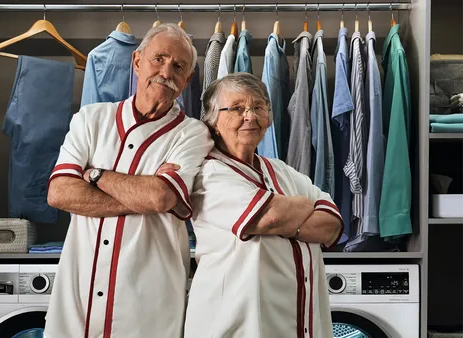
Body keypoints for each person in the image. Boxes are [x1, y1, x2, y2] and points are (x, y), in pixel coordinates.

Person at [44, 23, 214, 338]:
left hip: (147, 308)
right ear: (136, 61)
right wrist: (143, 197)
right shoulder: (91, 119)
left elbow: (160, 198)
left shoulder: (193, 133)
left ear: (187, 79)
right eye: (159, 59)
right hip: (76, 302)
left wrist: (95, 175)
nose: (166, 71)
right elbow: (59, 193)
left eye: (178, 66)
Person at [184, 73, 343, 338]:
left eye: (258, 107)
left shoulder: (281, 170)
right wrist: (304, 207)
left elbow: (332, 225)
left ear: (268, 117)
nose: (250, 116)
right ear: (212, 122)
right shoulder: (209, 173)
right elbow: (269, 219)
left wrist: (286, 218)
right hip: (235, 327)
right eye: (236, 108)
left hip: (299, 323)